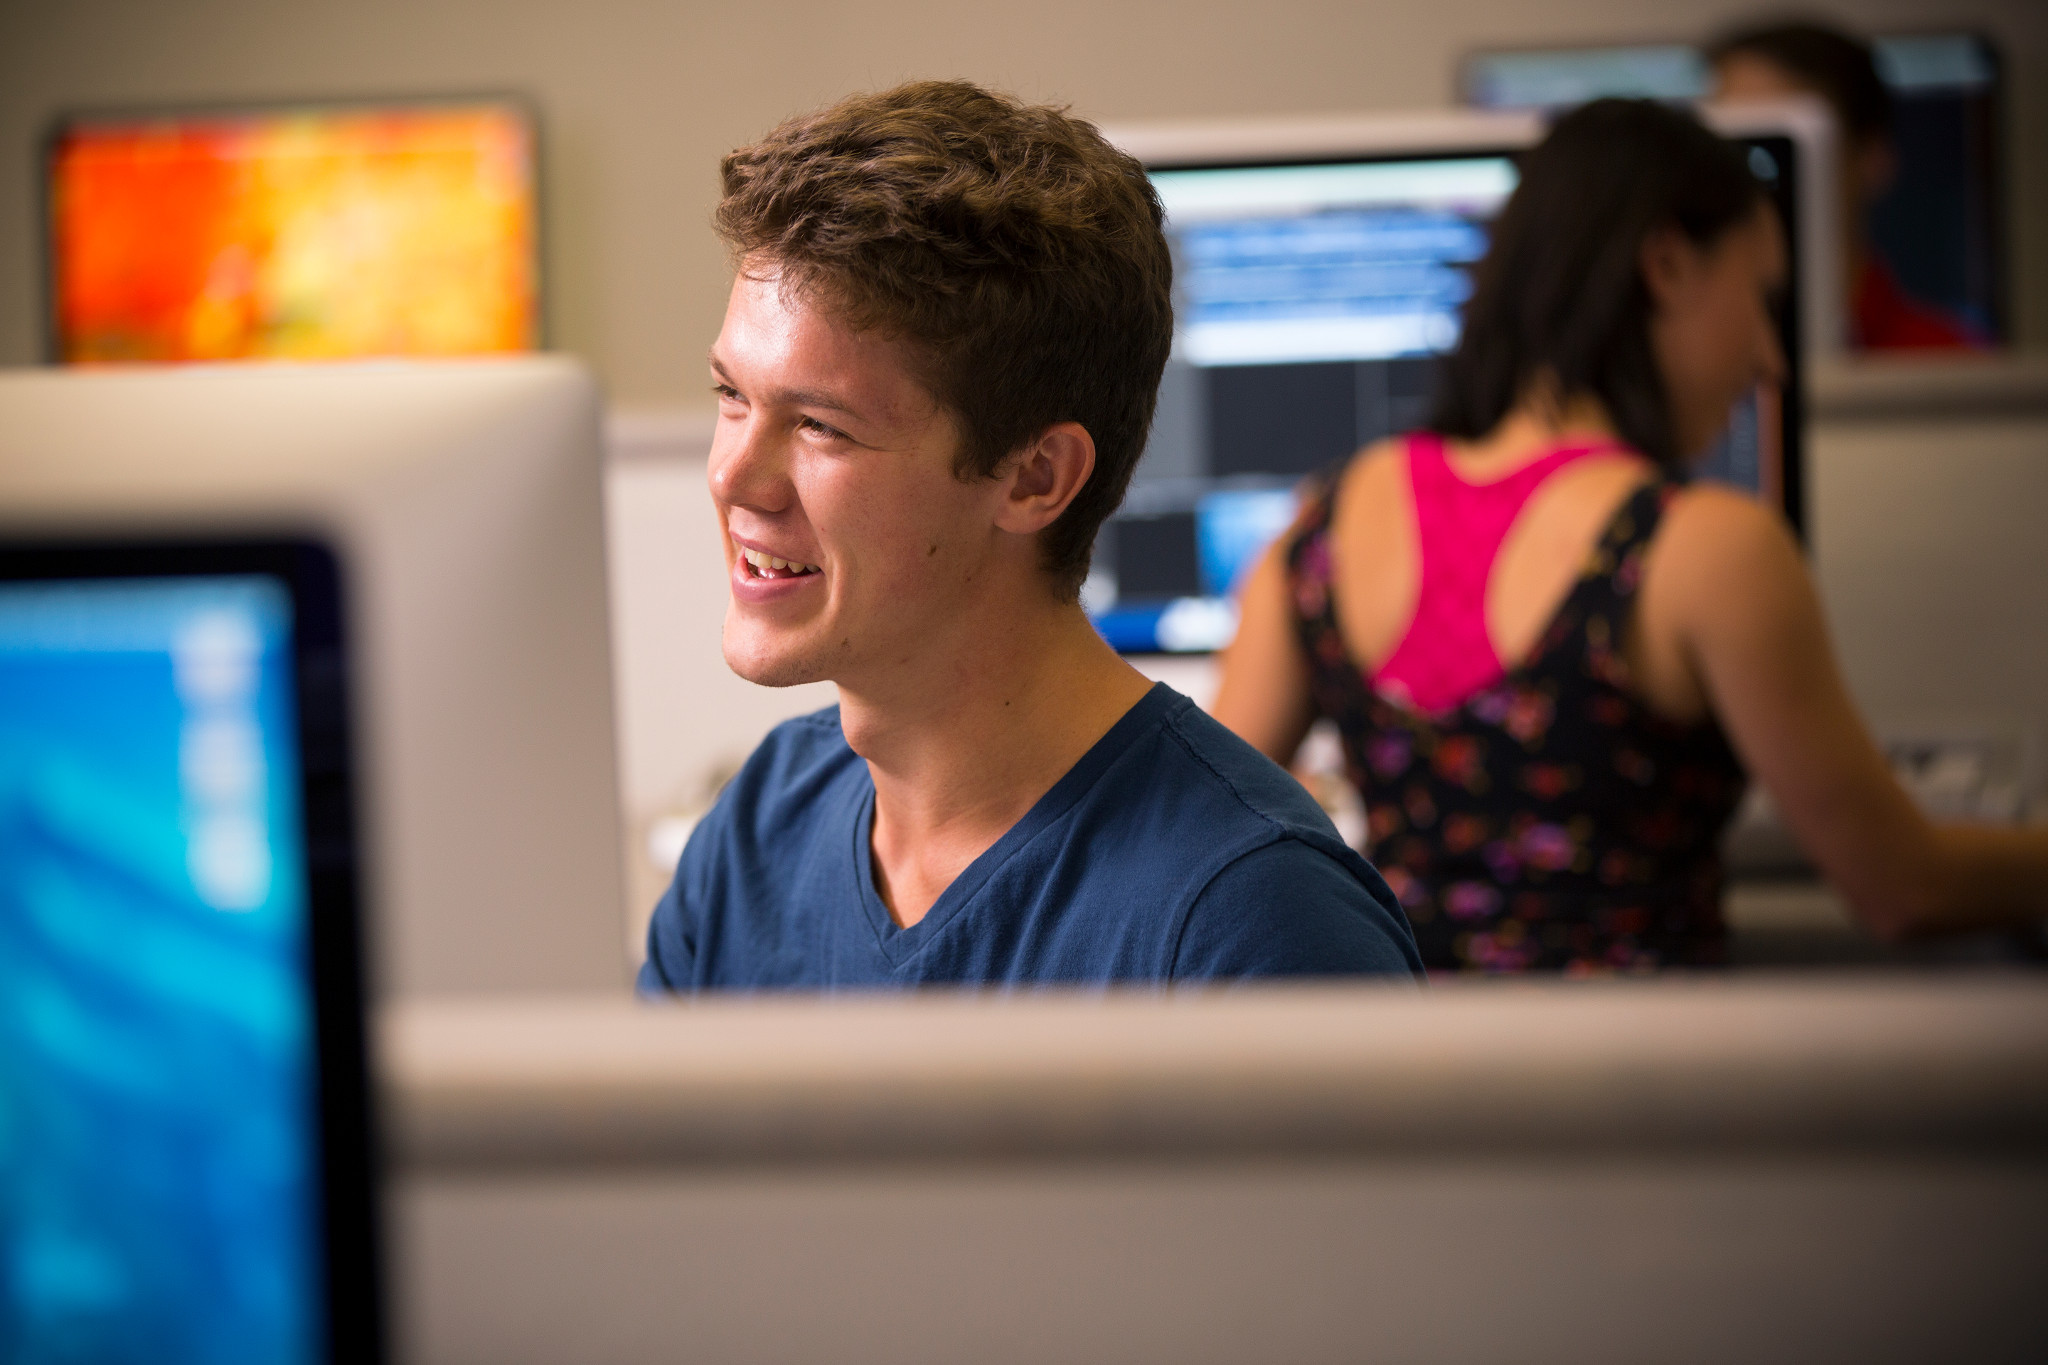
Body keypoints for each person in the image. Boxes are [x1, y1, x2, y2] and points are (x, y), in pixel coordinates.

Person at [1212, 99, 2048, 974]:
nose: (1771, 358)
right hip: (1647, 1096)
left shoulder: (1323, 529)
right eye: (1761, 299)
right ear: (1667, 265)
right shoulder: (1705, 548)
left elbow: (1209, 833)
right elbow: (1904, 886)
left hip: (1408, 1091)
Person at [639, 80, 1421, 992]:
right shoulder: (760, 828)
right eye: (731, 395)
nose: (733, 475)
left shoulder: (1257, 922)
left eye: (821, 426)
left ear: (1035, 477)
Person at [1708, 19, 1986, 352]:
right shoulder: (1697, 361)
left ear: (1871, 157)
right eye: (1724, 148)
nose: (1748, 177)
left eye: (1778, 149)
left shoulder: (1943, 362)